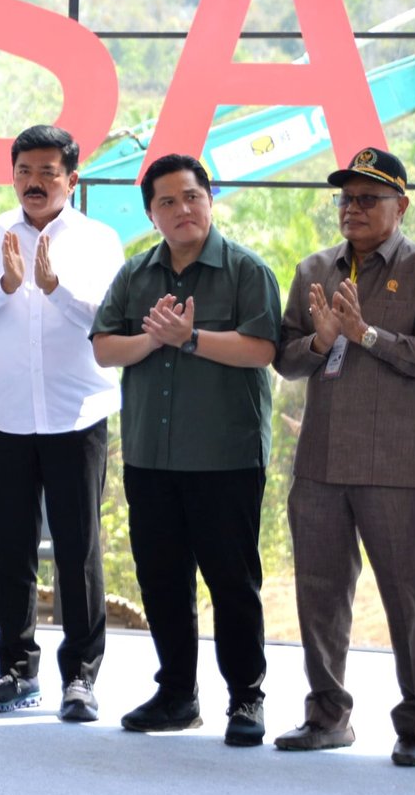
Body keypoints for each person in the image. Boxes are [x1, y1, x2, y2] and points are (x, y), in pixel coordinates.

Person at [272, 146, 415, 767]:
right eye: (346, 198)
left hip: (399, 467)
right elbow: (286, 358)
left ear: (400, 207)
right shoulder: (314, 270)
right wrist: (322, 338)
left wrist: (366, 336)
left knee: (409, 596)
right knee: (320, 594)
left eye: (368, 199)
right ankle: (327, 716)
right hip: (322, 463)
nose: (353, 209)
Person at [90, 154, 280, 746]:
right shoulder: (135, 274)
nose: (182, 210)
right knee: (163, 581)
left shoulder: (245, 270)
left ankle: (246, 699)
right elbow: (103, 349)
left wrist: (190, 338)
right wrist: (153, 338)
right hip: (150, 455)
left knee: (231, 583)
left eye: (191, 196)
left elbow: (261, 349)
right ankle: (177, 695)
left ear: (210, 199)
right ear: (151, 213)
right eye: (167, 202)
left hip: (224, 456)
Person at [0, 124, 124, 724]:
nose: (35, 182)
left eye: (49, 172)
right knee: (11, 549)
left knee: (78, 549)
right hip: (8, 416)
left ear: (72, 179)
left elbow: (110, 321)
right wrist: (6, 285)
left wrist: (54, 288)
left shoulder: (98, 239)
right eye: (25, 171)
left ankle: (81, 677)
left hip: (78, 415)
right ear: (12, 175)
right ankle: (16, 671)